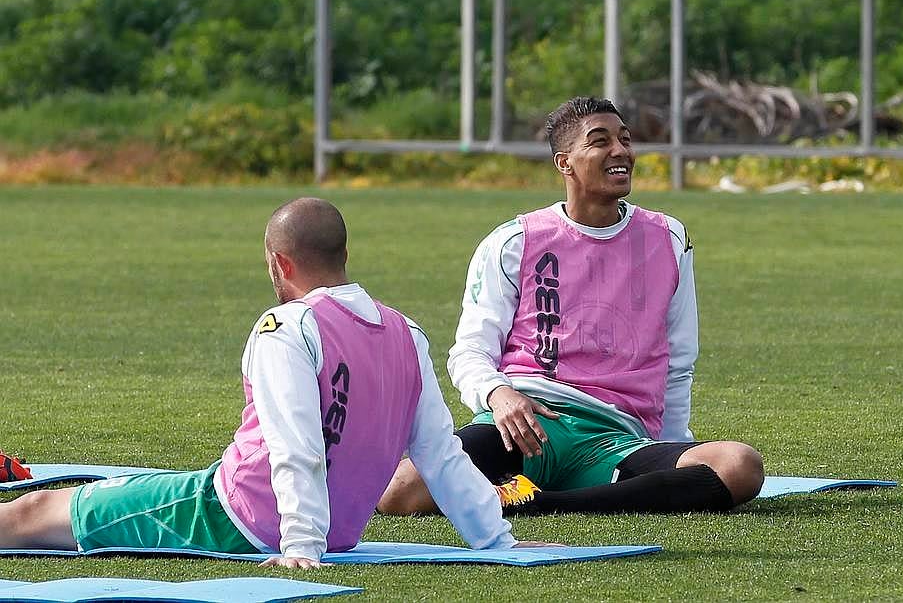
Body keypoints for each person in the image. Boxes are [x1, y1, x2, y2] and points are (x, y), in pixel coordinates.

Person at [0, 197, 541, 566]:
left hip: (230, 515)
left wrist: (300, 544)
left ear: (280, 264)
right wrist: (494, 540)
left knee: (34, 512)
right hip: (325, 529)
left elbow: (296, 446)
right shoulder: (407, 332)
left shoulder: (286, 328)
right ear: (344, 255)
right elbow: (440, 454)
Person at [378, 96, 764, 517]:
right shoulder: (513, 241)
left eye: (625, 140)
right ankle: (535, 490)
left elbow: (679, 358)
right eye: (600, 142)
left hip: (617, 439)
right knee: (401, 492)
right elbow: (469, 350)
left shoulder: (668, 238)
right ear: (565, 163)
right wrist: (498, 393)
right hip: (526, 425)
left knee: (739, 466)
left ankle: (531, 503)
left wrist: (673, 445)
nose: (620, 152)